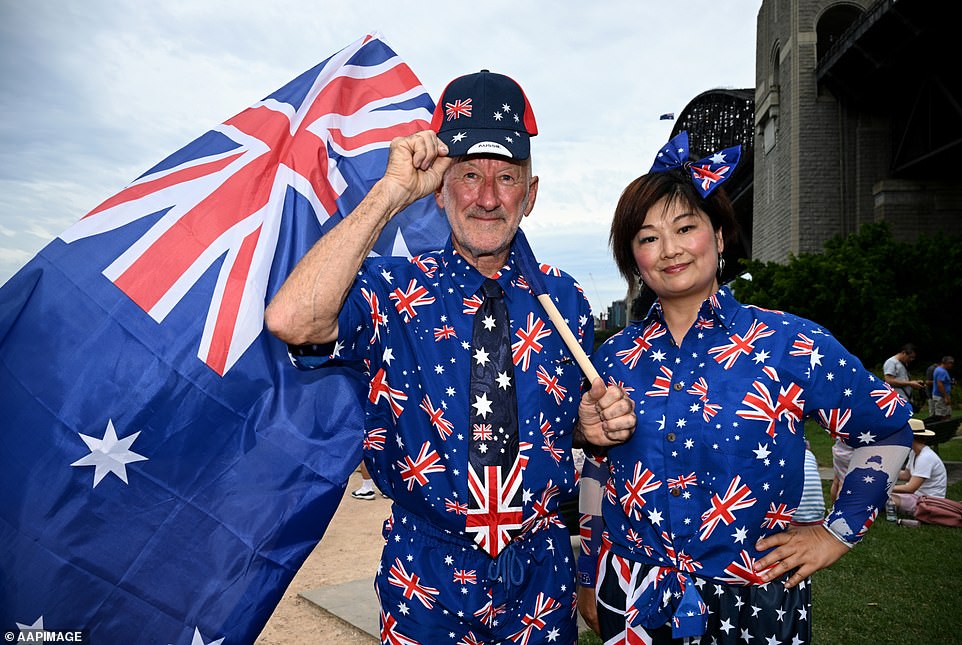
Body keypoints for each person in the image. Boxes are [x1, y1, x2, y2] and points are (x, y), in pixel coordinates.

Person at [265, 70, 635, 644]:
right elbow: (293, 319)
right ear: (439, 191)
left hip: (539, 581)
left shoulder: (565, 301)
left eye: (506, 177)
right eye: (468, 175)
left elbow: (571, 434)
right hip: (426, 579)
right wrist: (388, 194)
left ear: (530, 194)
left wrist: (590, 430)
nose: (487, 198)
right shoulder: (390, 290)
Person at [575, 131, 913, 644]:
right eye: (647, 237)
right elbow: (598, 468)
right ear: (633, 256)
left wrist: (834, 534)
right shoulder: (613, 358)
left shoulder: (789, 342)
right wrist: (587, 578)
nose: (669, 250)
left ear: (720, 235)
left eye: (685, 227)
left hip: (756, 604)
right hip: (631, 596)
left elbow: (886, 429)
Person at [890, 418, 948, 516]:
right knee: (880, 497)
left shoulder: (926, 457)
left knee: (881, 497)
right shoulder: (914, 452)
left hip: (928, 502)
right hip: (918, 497)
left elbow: (910, 488)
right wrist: (885, 472)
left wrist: (887, 488)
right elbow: (906, 475)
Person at [883, 343, 925, 411]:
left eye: (913, 357)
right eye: (910, 357)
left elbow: (902, 379)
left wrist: (914, 383)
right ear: (903, 353)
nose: (911, 359)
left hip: (905, 399)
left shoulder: (903, 363)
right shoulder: (891, 362)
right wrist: (910, 383)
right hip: (897, 400)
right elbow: (889, 381)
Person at [930, 355, 955, 421]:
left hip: (941, 396)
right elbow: (940, 384)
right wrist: (946, 397)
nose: (951, 365)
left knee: (947, 414)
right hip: (941, 397)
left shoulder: (939, 369)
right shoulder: (942, 371)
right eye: (950, 363)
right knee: (941, 416)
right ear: (946, 363)